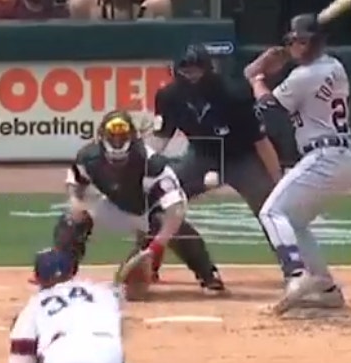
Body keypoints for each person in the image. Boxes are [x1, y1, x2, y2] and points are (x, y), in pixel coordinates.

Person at [243, 14, 351, 314]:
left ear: (312, 42)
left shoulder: (305, 76)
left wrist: (257, 77)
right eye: (293, 41)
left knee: (271, 212)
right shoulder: (335, 66)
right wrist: (283, 60)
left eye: (300, 42)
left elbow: (268, 109)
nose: (295, 47)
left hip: (325, 157)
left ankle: (297, 276)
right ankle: (325, 287)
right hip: (341, 159)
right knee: (294, 221)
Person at [51, 110, 227, 295]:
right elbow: (75, 180)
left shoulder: (151, 163)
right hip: (114, 206)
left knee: (181, 232)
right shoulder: (88, 157)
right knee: (71, 220)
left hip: (148, 211)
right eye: (113, 137)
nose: (117, 142)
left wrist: (157, 246)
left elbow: (175, 211)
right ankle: (60, 273)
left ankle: (208, 275)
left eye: (122, 137)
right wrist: (75, 201)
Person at [152, 44, 282, 282]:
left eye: (197, 70)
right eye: (186, 70)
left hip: (241, 157)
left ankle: (295, 266)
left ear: (208, 70)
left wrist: (277, 179)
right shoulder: (168, 96)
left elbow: (260, 141)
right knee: (155, 202)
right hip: (201, 155)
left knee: (272, 209)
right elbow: (160, 139)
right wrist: (147, 170)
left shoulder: (233, 94)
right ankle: (146, 263)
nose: (191, 75)